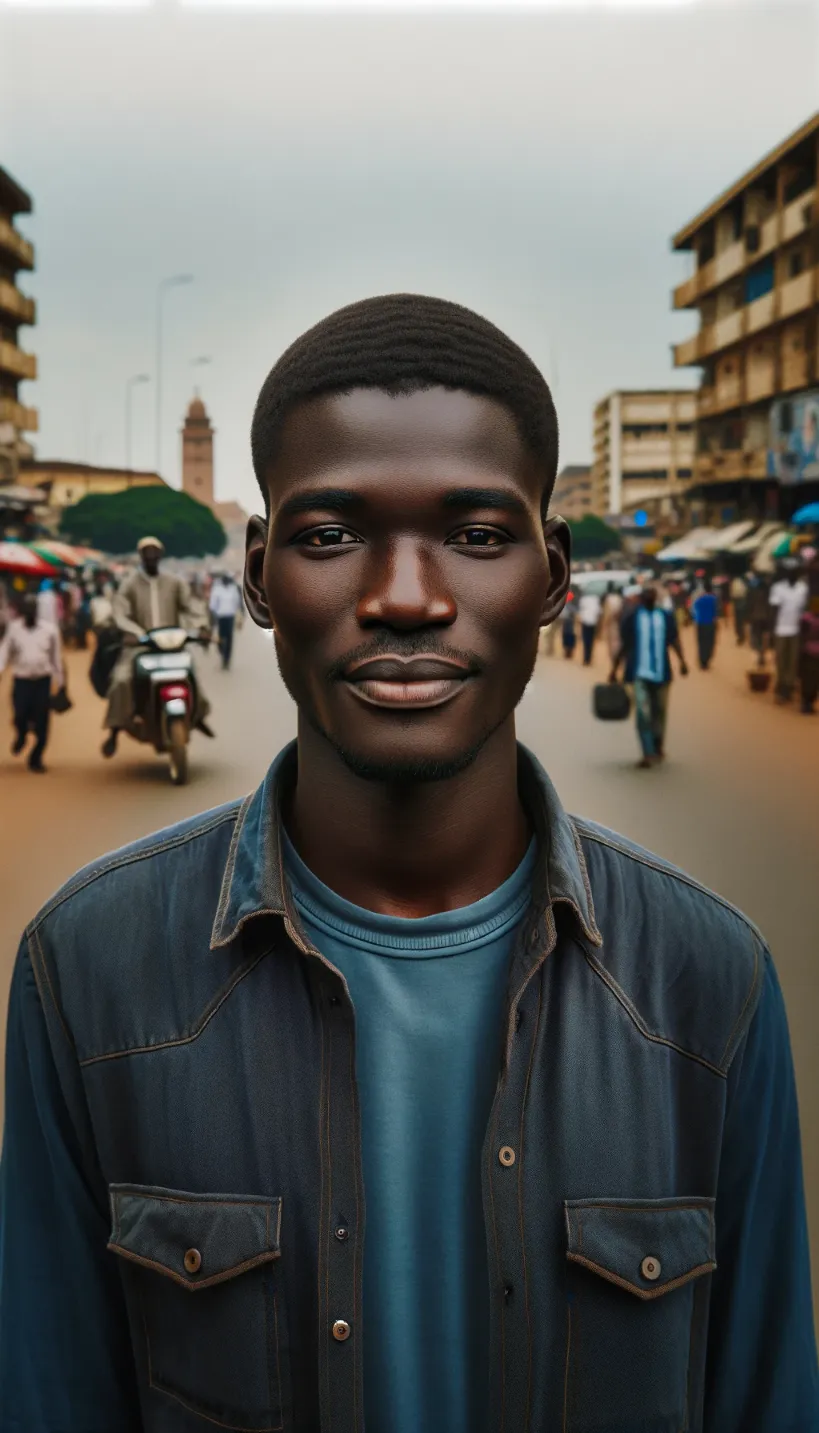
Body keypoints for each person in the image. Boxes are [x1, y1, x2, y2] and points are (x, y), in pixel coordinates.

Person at [1, 294, 816, 1433]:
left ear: (553, 572)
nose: (404, 596)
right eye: (332, 534)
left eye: (477, 535)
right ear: (261, 572)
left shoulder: (709, 983)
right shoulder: (84, 971)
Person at [101, 537, 212, 757]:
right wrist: (135, 633)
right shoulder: (129, 583)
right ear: (141, 556)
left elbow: (190, 606)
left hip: (171, 645)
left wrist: (201, 626)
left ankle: (196, 716)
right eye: (146, 552)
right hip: (140, 646)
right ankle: (114, 731)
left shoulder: (174, 582)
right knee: (122, 680)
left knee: (192, 675)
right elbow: (120, 612)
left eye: (155, 552)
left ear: (160, 555)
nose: (151, 556)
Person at [612, 583, 688, 768]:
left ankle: (658, 745)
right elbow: (625, 645)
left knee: (659, 711)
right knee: (642, 713)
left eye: (651, 595)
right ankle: (647, 752)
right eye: (645, 595)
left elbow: (674, 640)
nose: (648, 598)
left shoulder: (666, 616)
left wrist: (683, 661)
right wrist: (614, 669)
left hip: (662, 673)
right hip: (639, 673)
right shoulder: (632, 618)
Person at [0, 591, 64, 773]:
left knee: (42, 723)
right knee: (19, 715)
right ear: (21, 611)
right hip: (22, 682)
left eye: (32, 609)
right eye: (26, 609)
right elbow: (4, 651)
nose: (29, 613)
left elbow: (56, 658)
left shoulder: (50, 630)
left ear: (37, 611)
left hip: (42, 682)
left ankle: (36, 757)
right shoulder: (14, 629)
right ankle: (21, 736)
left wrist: (61, 683)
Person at [770, 561, 809, 703]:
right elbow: (774, 609)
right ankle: (781, 684)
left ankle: (788, 686)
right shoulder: (778, 588)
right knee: (781, 659)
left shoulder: (803, 589)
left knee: (793, 660)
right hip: (781, 629)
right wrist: (771, 630)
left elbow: (805, 610)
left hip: (796, 630)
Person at [209, 572, 243, 670]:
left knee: (229, 639)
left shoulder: (233, 589)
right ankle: (222, 653)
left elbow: (237, 602)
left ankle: (227, 659)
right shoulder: (217, 589)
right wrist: (213, 616)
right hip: (220, 617)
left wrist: (239, 615)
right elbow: (212, 604)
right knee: (220, 639)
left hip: (230, 617)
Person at [798, 566, 819, 715]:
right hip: (810, 650)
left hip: (809, 649)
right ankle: (806, 703)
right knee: (810, 677)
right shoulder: (807, 618)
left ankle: (808, 702)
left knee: (811, 678)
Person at [692, 574, 718, 670]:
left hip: (700, 623)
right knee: (710, 643)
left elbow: (694, 610)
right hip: (710, 624)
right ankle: (707, 660)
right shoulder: (714, 599)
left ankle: (702, 661)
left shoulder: (699, 599)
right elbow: (716, 612)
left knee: (701, 643)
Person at [746, 573, 771, 661]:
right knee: (764, 637)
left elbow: (750, 606)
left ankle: (759, 652)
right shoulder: (768, 596)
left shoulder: (754, 595)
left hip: (756, 618)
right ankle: (762, 653)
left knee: (757, 636)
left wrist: (748, 617)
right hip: (765, 618)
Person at [600, 580, 623, 668]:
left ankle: (614, 664)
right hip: (618, 625)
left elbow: (607, 615)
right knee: (617, 644)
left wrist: (604, 626)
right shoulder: (620, 598)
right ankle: (616, 663)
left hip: (611, 625)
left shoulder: (608, 598)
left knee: (612, 647)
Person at [577, 586, 601, 666]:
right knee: (590, 641)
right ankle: (588, 658)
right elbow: (599, 612)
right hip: (592, 622)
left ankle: (586, 658)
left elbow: (580, 610)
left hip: (586, 621)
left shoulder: (584, 599)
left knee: (586, 641)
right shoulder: (596, 599)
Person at [729, 573, 748, 644]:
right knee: (742, 622)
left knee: (739, 622)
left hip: (738, 606)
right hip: (743, 605)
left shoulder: (735, 583)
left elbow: (732, 595)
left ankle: (741, 636)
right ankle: (742, 636)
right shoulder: (743, 583)